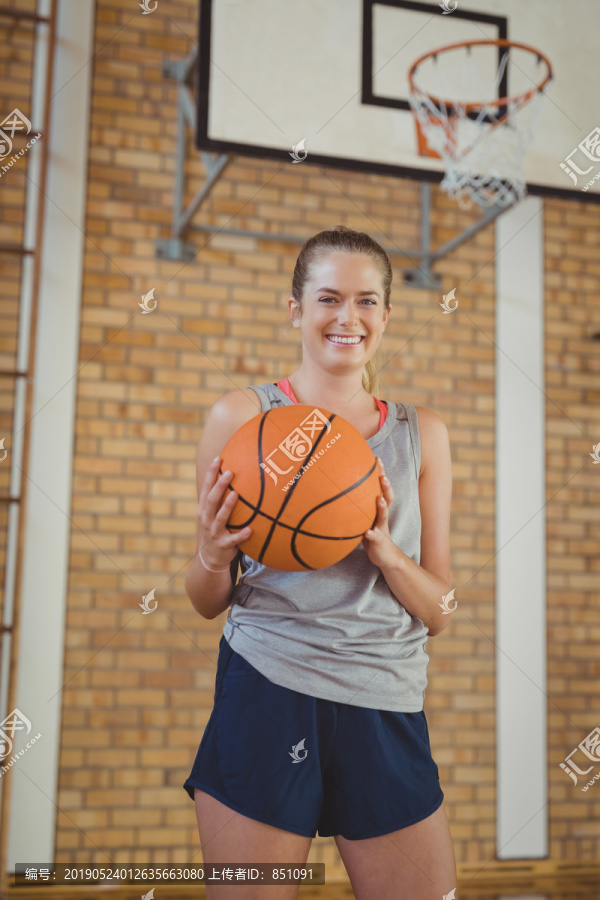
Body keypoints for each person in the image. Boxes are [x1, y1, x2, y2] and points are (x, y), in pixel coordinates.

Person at [183, 226, 457, 900]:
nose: (348, 317)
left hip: (385, 698)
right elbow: (205, 597)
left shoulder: (423, 434)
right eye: (329, 298)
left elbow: (441, 609)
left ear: (386, 316)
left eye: (367, 301)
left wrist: (387, 553)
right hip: (269, 688)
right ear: (296, 309)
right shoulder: (242, 417)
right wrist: (213, 554)